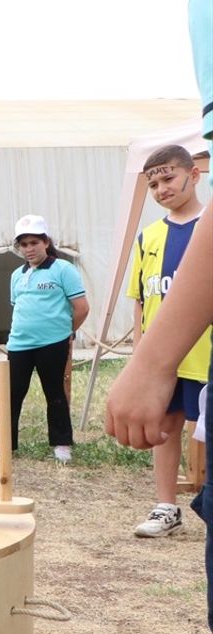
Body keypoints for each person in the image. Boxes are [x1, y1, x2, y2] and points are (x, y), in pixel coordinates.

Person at [124, 145, 209, 538]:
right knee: (165, 427)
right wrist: (142, 355)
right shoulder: (148, 238)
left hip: (204, 355)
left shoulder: (207, 226)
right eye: (153, 183)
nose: (161, 189)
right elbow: (141, 300)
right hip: (165, 361)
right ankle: (166, 506)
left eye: (168, 178)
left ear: (194, 175)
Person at [0, 216, 88, 464]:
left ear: (46, 242)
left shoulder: (64, 270)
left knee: (54, 393)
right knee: (11, 394)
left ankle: (61, 444)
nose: (29, 249)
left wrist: (67, 333)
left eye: (34, 242)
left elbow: (81, 307)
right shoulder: (17, 274)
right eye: (24, 244)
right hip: (19, 344)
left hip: (53, 343)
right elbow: (17, 306)